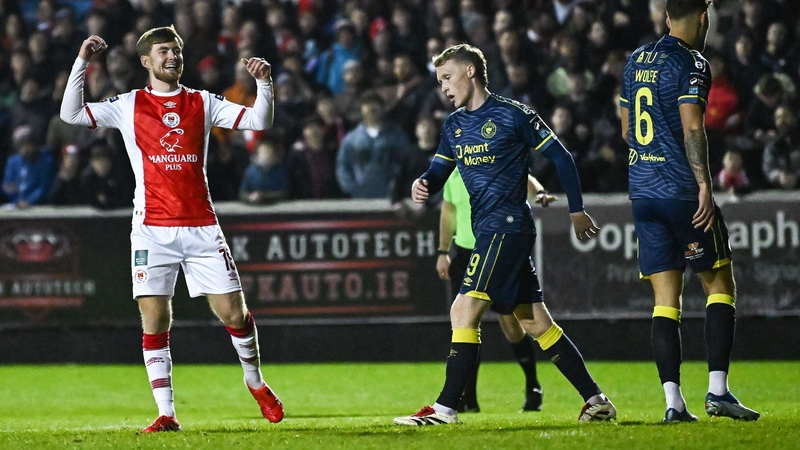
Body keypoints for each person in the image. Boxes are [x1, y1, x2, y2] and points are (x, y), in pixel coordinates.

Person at [59, 26, 284, 432]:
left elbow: (258, 120)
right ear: (146, 61)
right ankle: (167, 413)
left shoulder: (202, 101)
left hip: (200, 226)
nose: (172, 57)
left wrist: (264, 83)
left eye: (176, 50)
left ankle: (256, 382)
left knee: (234, 312)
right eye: (163, 51)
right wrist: (81, 62)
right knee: (154, 317)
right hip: (151, 229)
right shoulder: (128, 105)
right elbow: (71, 114)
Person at [394, 43, 616, 426]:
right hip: (488, 230)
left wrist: (576, 210)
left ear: (471, 72)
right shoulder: (454, 125)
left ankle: (445, 409)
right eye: (439, 81)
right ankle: (597, 400)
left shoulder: (514, 115)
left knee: (463, 309)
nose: (444, 88)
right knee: (536, 323)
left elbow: (561, 156)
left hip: (507, 225)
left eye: (447, 78)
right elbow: (438, 171)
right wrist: (423, 183)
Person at [619, 0, 760, 423]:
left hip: (642, 194)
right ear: (704, 18)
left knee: (666, 300)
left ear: (666, 18)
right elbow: (693, 125)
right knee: (719, 284)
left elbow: (628, 130)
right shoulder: (693, 63)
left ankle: (673, 403)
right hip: (681, 191)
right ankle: (718, 392)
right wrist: (703, 183)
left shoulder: (635, 60)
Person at [437, 168, 558, 413]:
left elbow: (523, 175)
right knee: (465, 323)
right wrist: (442, 251)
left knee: (512, 324)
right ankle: (467, 398)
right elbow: (448, 210)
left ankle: (533, 386)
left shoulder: (492, 159)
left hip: (496, 248)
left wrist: (540, 191)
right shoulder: (454, 175)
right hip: (465, 252)